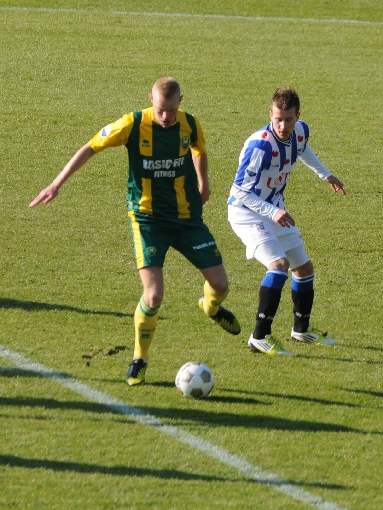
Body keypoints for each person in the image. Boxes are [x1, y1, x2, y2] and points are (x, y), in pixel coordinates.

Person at [29, 77, 241, 386]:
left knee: (221, 284)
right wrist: (57, 183)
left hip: (186, 218)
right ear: (150, 100)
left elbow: (199, 149)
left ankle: (210, 307)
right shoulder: (132, 124)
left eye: (170, 110)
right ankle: (139, 359)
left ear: (181, 101)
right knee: (154, 295)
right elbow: (90, 147)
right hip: (148, 220)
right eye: (159, 110)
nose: (165, 117)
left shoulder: (190, 124)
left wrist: (203, 181)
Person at [228, 87, 345, 356]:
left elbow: (302, 150)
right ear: (270, 114)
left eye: (288, 119)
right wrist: (271, 212)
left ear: (297, 117)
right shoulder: (260, 145)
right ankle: (259, 336)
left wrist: (326, 175)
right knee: (279, 265)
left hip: (275, 210)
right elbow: (239, 192)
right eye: (277, 119)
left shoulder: (300, 131)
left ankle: (301, 330)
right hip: (247, 212)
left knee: (303, 268)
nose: (282, 126)